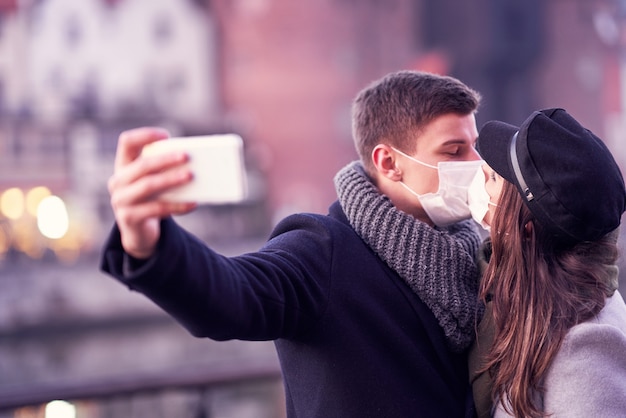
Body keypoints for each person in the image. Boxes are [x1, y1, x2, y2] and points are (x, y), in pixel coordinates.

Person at [100, 70, 484, 417]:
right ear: (388, 162)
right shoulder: (323, 252)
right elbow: (232, 296)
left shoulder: (479, 253)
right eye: (453, 151)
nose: (476, 162)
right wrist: (151, 244)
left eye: (474, 145)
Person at [467, 108, 626, 417]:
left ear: (527, 228)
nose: (479, 177)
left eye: (494, 178)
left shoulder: (586, 346)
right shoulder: (535, 303)